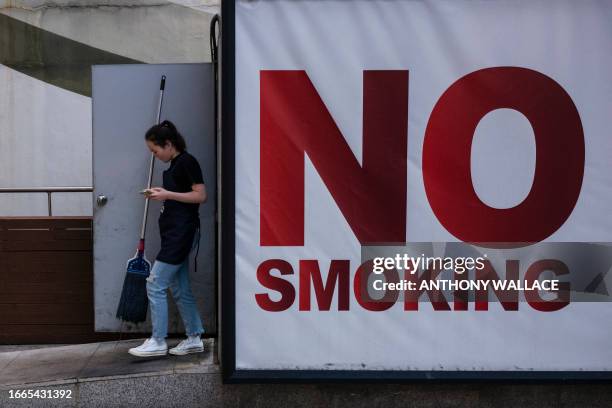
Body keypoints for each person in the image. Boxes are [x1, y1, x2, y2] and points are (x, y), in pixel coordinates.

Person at [128, 120, 207, 357]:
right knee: (179, 287)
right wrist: (162, 193)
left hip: (180, 235)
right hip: (175, 234)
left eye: (155, 150)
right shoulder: (175, 164)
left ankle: (158, 341)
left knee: (155, 284)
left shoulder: (187, 161)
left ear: (169, 144)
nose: (154, 155)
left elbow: (200, 195)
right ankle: (194, 337)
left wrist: (167, 194)